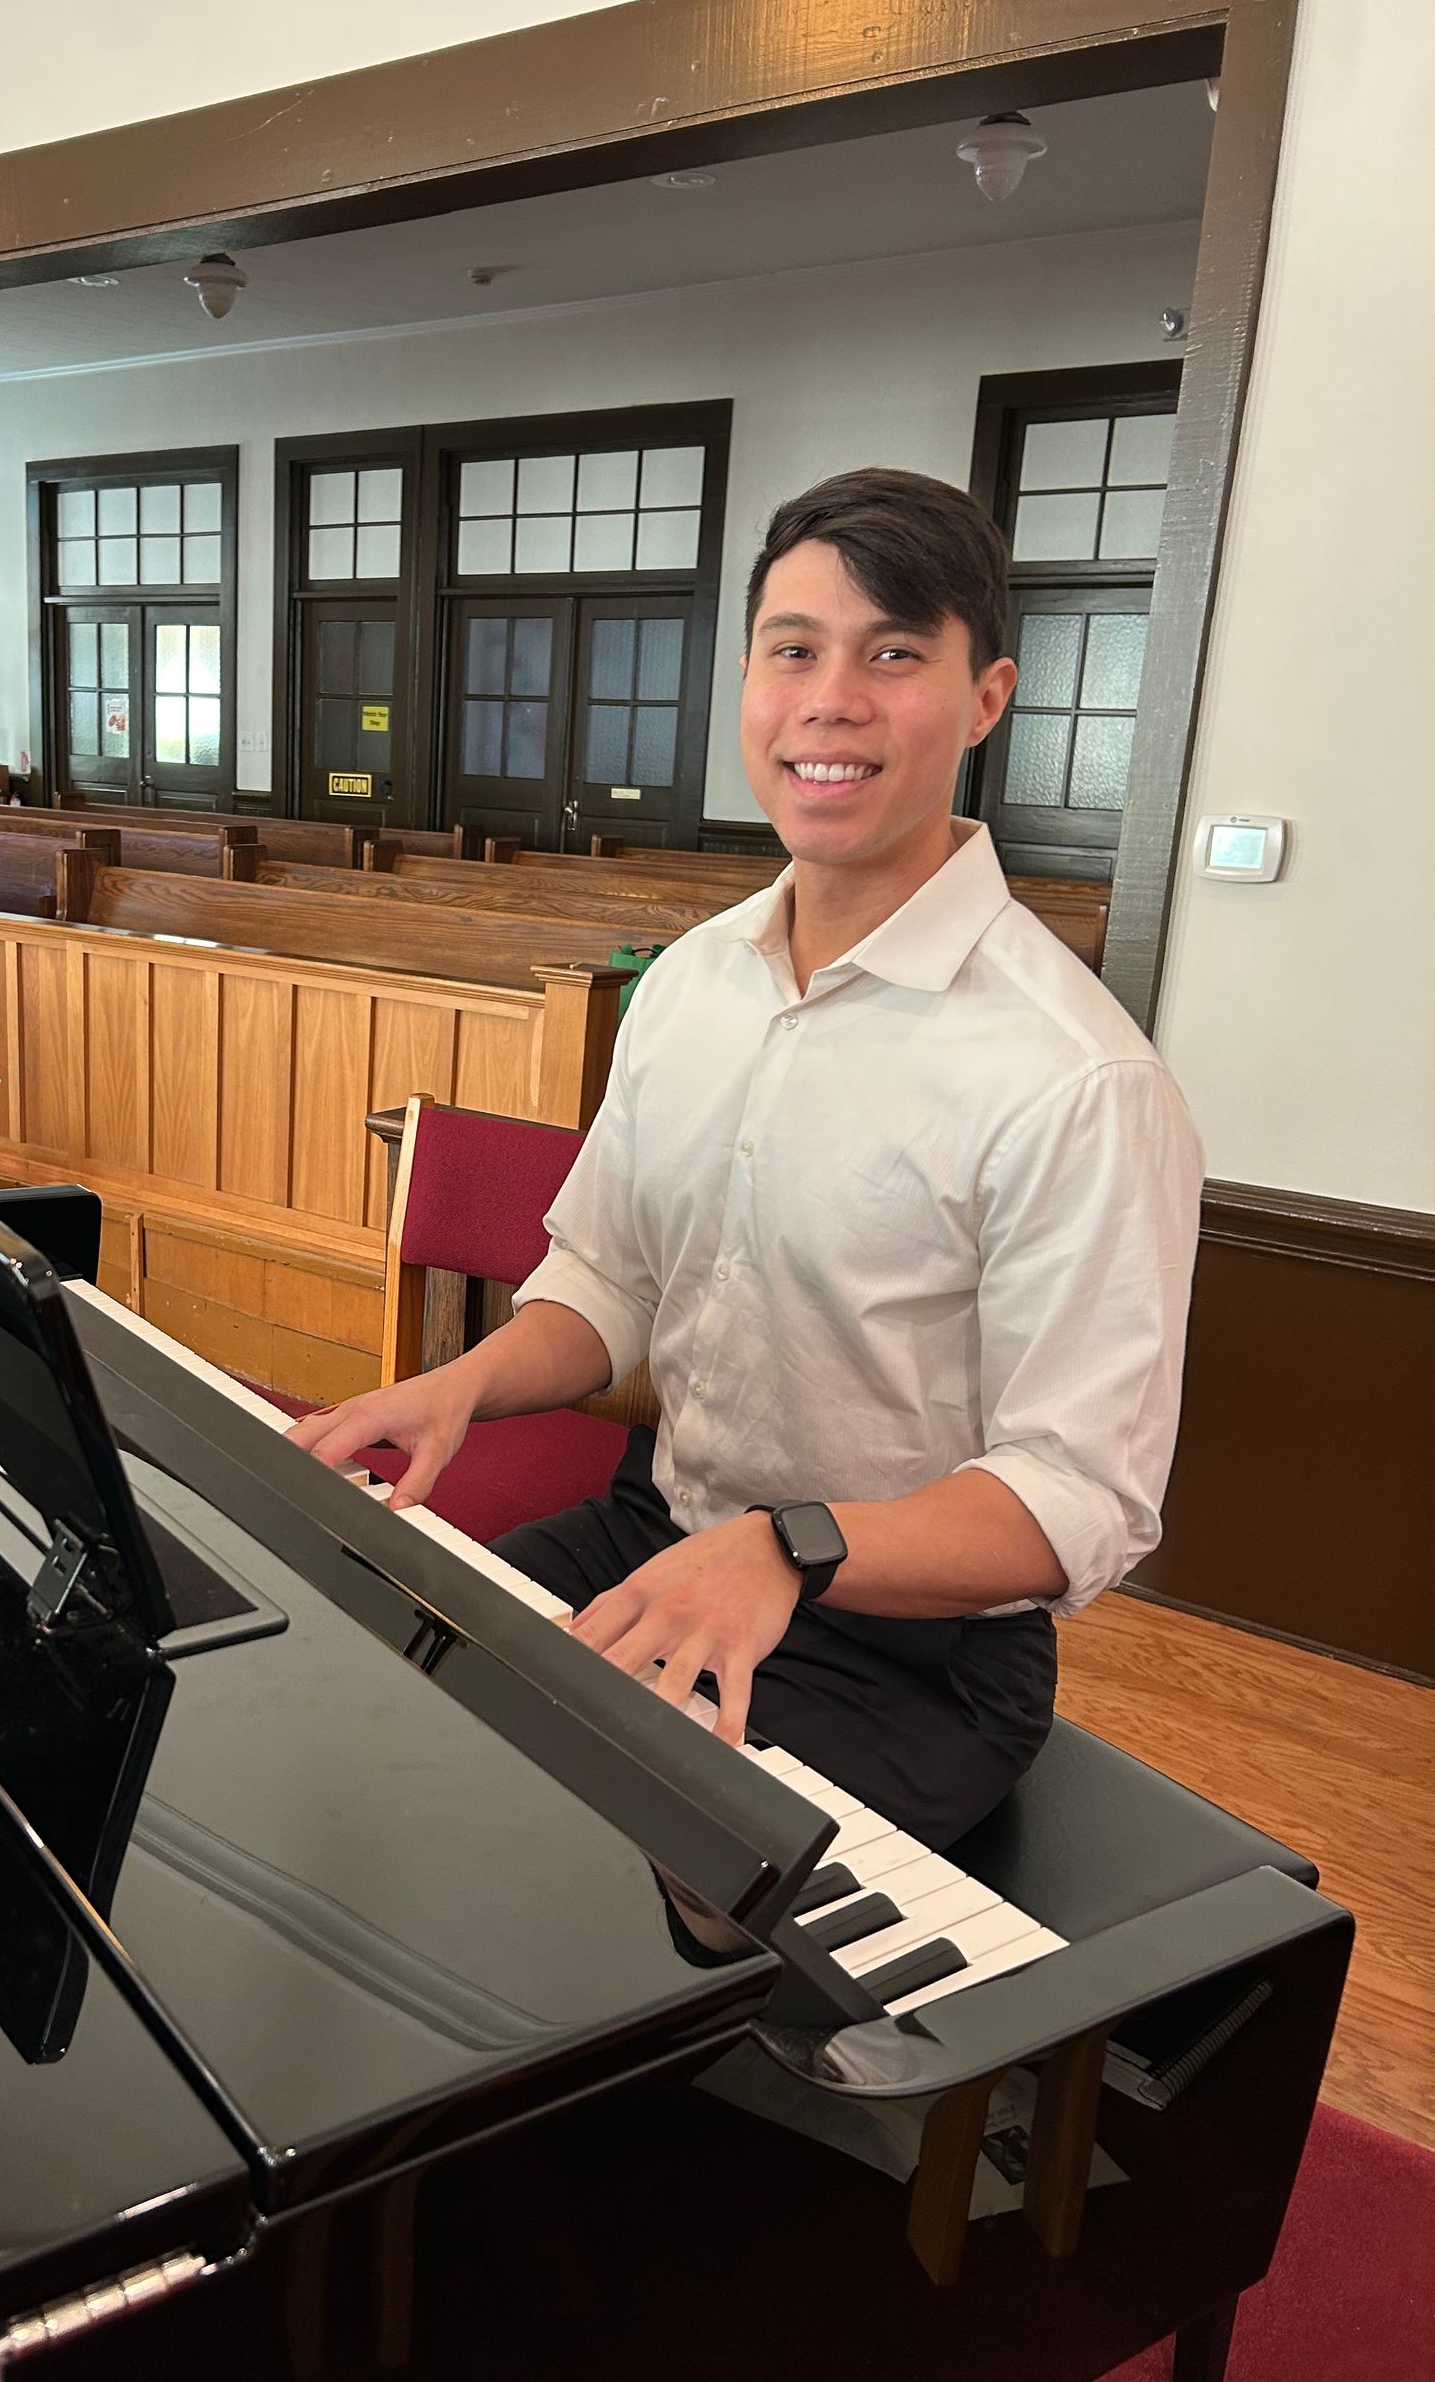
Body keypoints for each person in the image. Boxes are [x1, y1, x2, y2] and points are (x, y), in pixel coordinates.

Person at [287, 467, 1203, 1849]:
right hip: (656, 1529)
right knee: (364, 1720)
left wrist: (791, 1548)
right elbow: (611, 1281)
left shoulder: (1079, 1079)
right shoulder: (697, 981)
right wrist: (461, 1385)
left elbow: (1083, 1500)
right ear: (749, 684)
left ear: (988, 697)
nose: (831, 699)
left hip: (904, 1656)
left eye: (894, 653)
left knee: (591, 1898)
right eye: (795, 650)